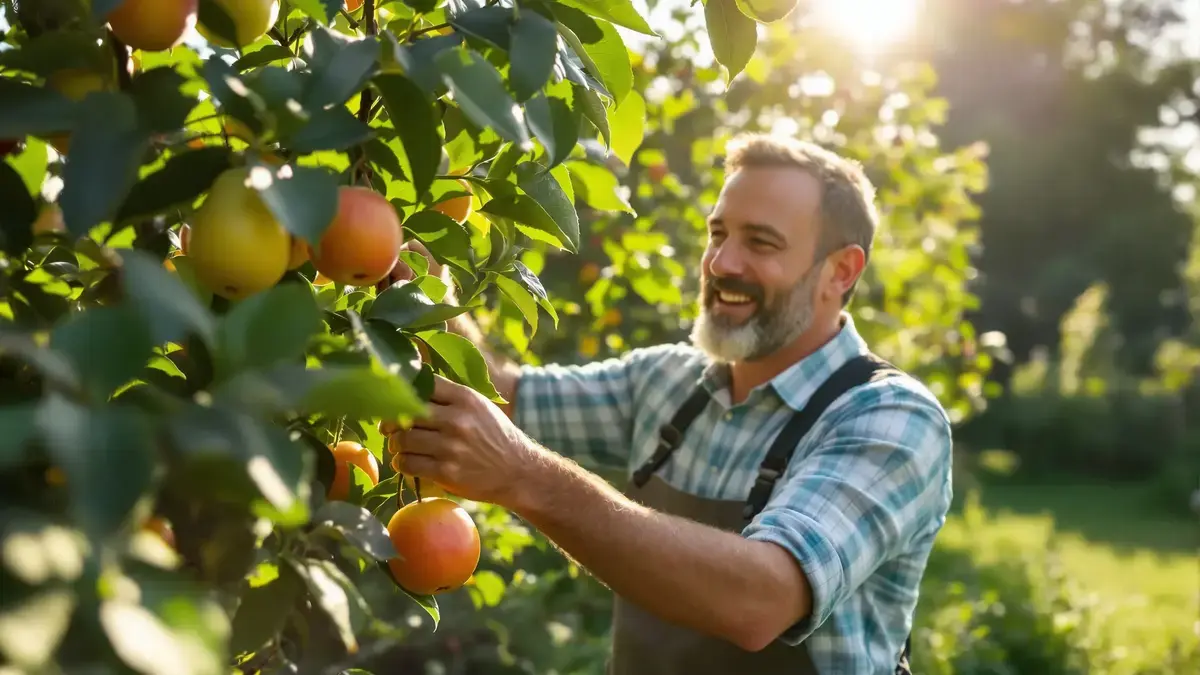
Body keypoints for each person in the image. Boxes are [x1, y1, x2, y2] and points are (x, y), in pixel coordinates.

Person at [387, 133, 954, 675]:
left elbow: (760, 599)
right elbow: (501, 398)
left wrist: (524, 476)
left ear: (841, 271)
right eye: (717, 234)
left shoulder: (890, 418)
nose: (722, 263)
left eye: (761, 242)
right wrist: (426, 294)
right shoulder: (669, 380)